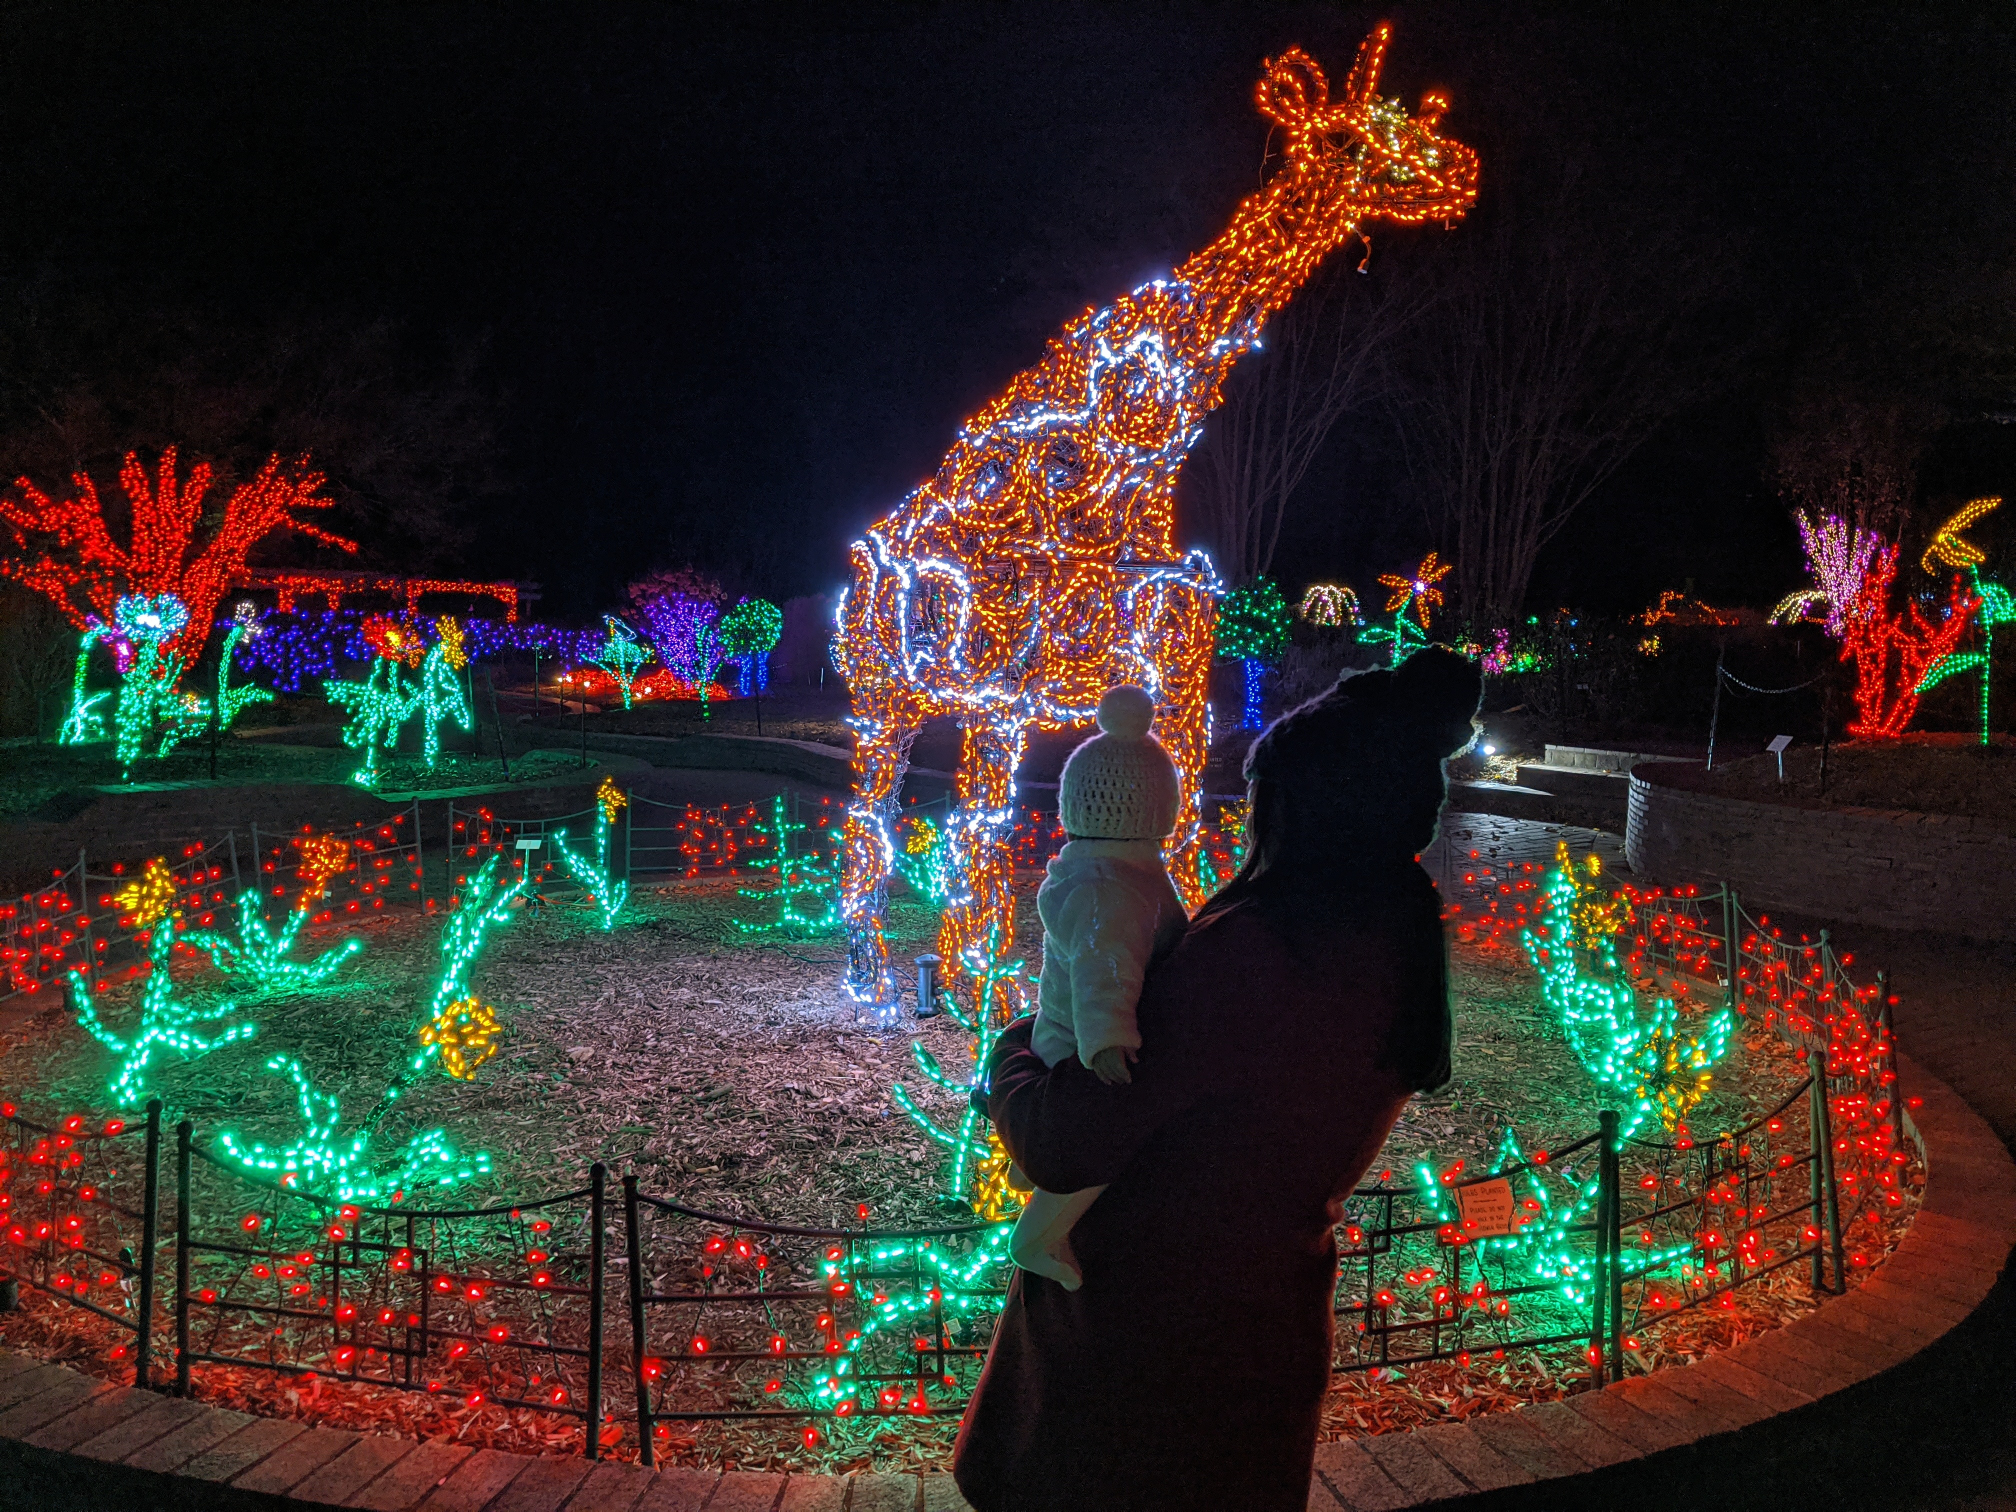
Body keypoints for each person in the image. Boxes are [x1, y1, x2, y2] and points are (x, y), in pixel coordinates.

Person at [954, 645, 1484, 1512]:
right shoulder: (1396, 931)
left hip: (1138, 1370)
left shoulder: (1257, 954)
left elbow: (1066, 1136)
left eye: (1260, 799)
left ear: (1304, 809)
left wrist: (1013, 1045)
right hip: (1260, 1341)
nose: (1246, 819)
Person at [1010, 684, 1189, 1290]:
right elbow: (1102, 965)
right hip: (1078, 1040)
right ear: (1156, 805)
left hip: (1069, 1027)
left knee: (1094, 1140)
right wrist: (1108, 1039)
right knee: (1100, 1148)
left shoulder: (1120, 869)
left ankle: (1041, 1184)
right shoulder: (1108, 885)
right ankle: (1036, 1236)